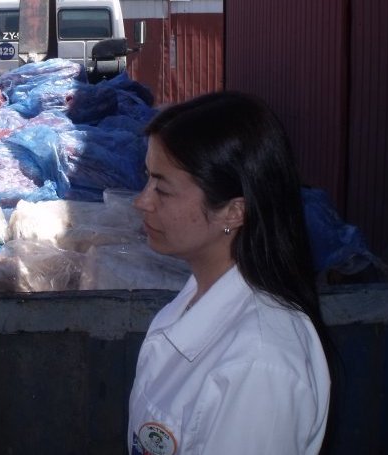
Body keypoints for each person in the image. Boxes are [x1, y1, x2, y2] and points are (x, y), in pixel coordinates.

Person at [128, 91, 332, 454]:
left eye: (162, 188)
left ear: (234, 212)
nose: (142, 201)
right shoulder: (201, 292)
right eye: (147, 179)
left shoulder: (258, 368)